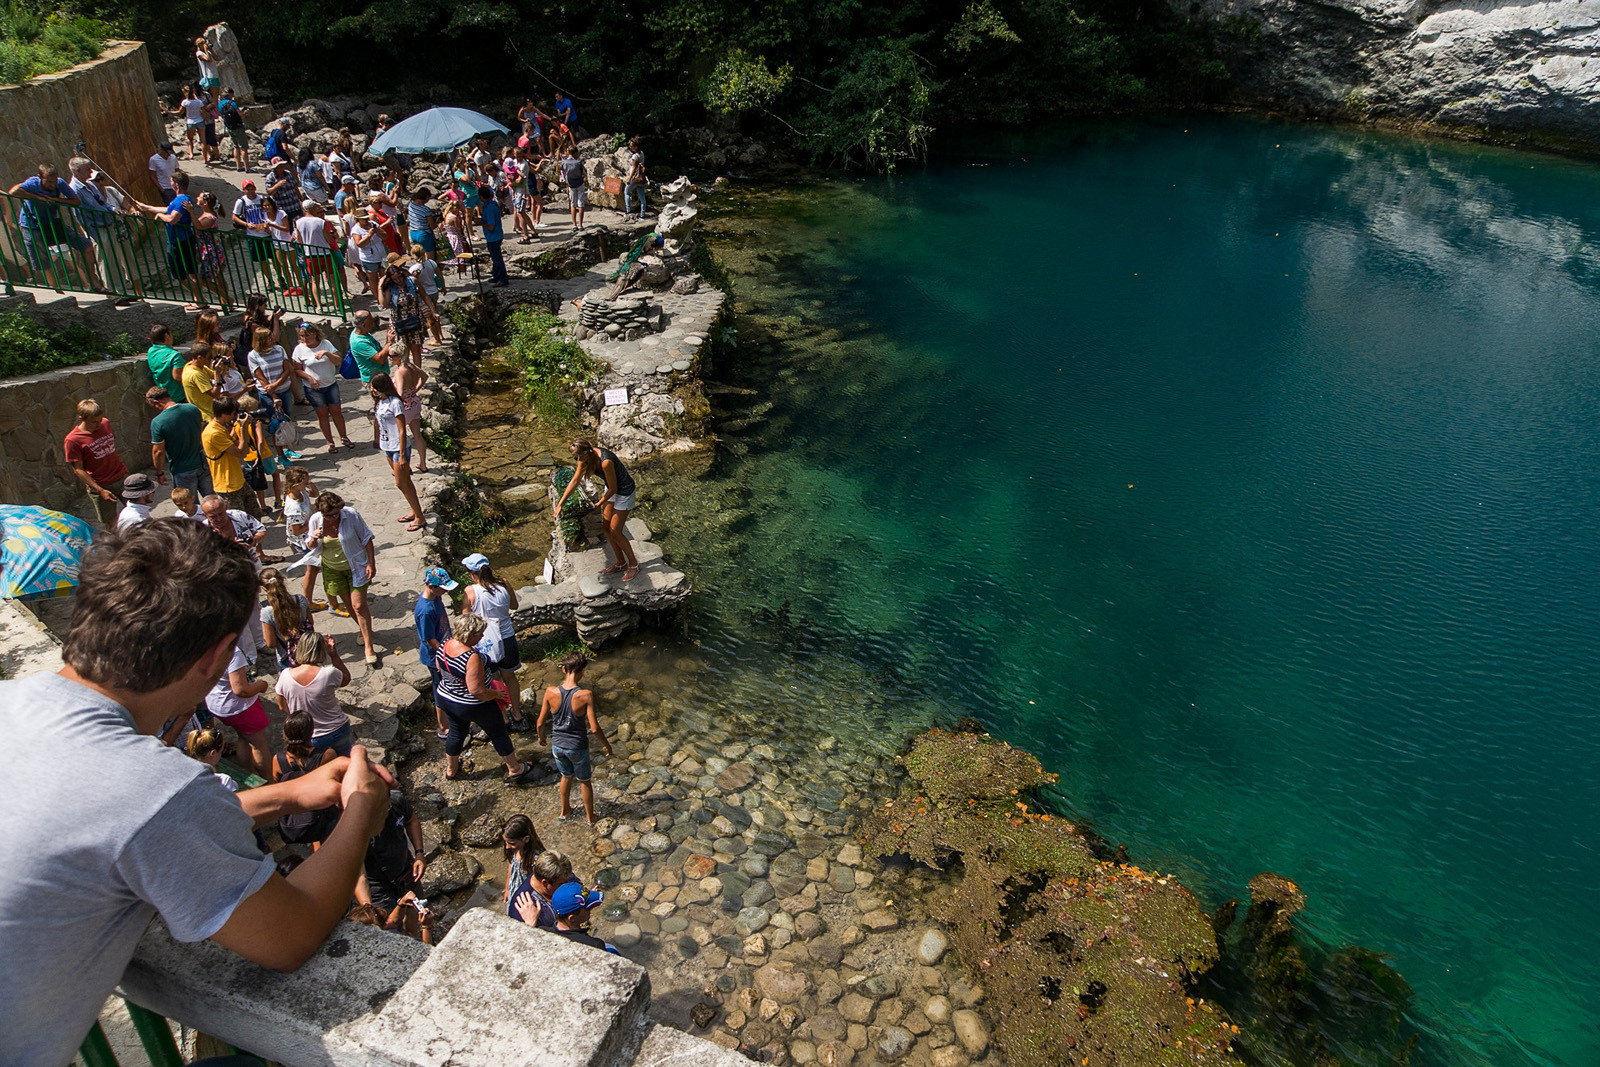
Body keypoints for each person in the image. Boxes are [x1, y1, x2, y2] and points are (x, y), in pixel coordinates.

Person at [0, 519, 395, 1067]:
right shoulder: (153, 788)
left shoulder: (14, 703)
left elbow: (129, 829)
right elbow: (289, 934)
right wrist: (360, 811)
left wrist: (285, 796)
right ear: (213, 660)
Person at [435, 614, 537, 784]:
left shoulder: (445, 644)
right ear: (470, 635)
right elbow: (477, 691)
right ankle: (515, 769)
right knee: (498, 733)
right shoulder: (471, 658)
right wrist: (496, 694)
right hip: (472, 705)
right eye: (480, 634)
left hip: (447, 698)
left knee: (456, 733)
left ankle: (451, 770)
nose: (482, 636)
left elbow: (440, 667)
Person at [536, 651, 614, 826]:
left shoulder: (550, 692)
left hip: (557, 745)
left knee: (566, 776)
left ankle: (565, 811)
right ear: (583, 670)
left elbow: (540, 722)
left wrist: (541, 738)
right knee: (584, 780)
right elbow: (594, 728)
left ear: (564, 669)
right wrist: (607, 746)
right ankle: (590, 817)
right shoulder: (585, 695)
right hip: (577, 746)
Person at [304, 491, 379, 665]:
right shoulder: (316, 519)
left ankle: (369, 646)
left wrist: (371, 563)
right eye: (328, 515)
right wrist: (314, 538)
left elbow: (367, 538)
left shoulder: (351, 515)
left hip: (356, 566)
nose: (333, 518)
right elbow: (310, 545)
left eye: (336, 513)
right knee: (350, 606)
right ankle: (363, 629)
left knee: (359, 605)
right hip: (332, 568)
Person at [353, 789, 435, 943]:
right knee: (390, 931)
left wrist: (419, 853)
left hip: (406, 872)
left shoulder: (396, 800)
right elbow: (359, 875)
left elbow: (411, 820)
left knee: (413, 921)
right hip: (379, 889)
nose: (386, 809)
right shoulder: (356, 830)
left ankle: (418, 937)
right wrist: (369, 909)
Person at [555, 438, 639, 580]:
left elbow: (614, 489)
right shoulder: (585, 458)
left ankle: (634, 565)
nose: (577, 460)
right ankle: (620, 563)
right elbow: (575, 481)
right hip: (611, 489)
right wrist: (560, 503)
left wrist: (599, 503)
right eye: (574, 458)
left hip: (624, 491)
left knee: (615, 531)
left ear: (586, 453)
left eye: (578, 457)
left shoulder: (606, 462)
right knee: (606, 528)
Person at [461, 553, 526, 730]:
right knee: (510, 676)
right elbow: (514, 606)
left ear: (473, 573)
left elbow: (465, 619)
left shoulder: (470, 591)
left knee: (493, 679)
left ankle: (503, 716)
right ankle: (517, 714)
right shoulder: (504, 583)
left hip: (486, 642)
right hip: (507, 637)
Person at [7, 162, 94, 291]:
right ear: (40, 177)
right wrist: (38, 197)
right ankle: (56, 289)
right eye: (48, 182)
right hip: (32, 224)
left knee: (86, 244)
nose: (52, 185)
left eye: (54, 181)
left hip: (52, 222)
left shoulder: (60, 183)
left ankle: (93, 282)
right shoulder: (33, 183)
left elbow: (75, 201)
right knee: (42, 258)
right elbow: (13, 191)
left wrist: (56, 200)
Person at [131, 169, 206, 310]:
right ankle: (198, 298)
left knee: (183, 274)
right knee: (189, 272)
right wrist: (147, 207)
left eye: (171, 182)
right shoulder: (182, 199)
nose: (170, 184)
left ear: (176, 185)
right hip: (181, 239)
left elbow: (172, 219)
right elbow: (168, 210)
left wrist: (159, 216)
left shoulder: (182, 200)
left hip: (180, 241)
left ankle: (200, 299)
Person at [204, 637, 273, 781]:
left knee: (243, 737)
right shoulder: (232, 652)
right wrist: (261, 685)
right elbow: (241, 689)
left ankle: (250, 775)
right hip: (241, 708)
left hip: (217, 703)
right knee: (259, 745)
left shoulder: (205, 645)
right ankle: (269, 781)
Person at [276, 632, 353, 759]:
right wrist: (333, 654)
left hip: (309, 735)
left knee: (318, 767)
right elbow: (346, 679)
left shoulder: (285, 675)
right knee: (345, 761)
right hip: (337, 729)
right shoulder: (329, 673)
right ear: (321, 651)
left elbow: (282, 706)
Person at [369, 373, 427, 533]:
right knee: (406, 483)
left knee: (401, 483)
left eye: (374, 387)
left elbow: (402, 430)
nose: (372, 390)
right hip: (387, 446)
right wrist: (376, 440)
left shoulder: (395, 403)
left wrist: (402, 455)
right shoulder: (380, 402)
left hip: (398, 447)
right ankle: (415, 511)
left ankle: (420, 517)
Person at [271, 712, 338, 846]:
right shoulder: (326, 755)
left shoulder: (278, 760)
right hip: (322, 809)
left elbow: (276, 785)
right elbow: (336, 782)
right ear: (311, 732)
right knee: (325, 844)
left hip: (296, 809)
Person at [63, 398, 128, 527]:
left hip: (121, 476)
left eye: (100, 420)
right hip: (101, 485)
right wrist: (99, 490)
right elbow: (78, 469)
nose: (99, 425)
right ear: (81, 418)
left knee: (137, 510)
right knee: (111, 523)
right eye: (94, 422)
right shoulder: (73, 440)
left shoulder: (105, 423)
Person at [292, 322, 352, 451]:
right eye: (302, 336)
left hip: (330, 384)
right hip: (313, 388)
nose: (305, 339)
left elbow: (338, 361)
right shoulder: (299, 349)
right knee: (322, 414)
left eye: (307, 335)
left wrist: (326, 353)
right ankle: (329, 441)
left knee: (336, 412)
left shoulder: (326, 344)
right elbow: (296, 370)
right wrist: (310, 378)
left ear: (314, 334)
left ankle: (344, 436)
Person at [413, 566, 457, 739]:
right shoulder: (425, 610)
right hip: (435, 657)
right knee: (440, 689)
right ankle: (443, 727)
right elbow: (429, 639)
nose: (445, 591)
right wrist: (445, 655)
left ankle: (449, 718)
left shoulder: (435, 598)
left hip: (444, 649)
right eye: (443, 588)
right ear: (432, 587)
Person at [202, 397, 263, 518]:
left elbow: (237, 444)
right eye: (233, 414)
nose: (235, 416)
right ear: (225, 414)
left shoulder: (220, 427)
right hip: (227, 486)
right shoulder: (214, 433)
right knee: (239, 521)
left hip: (238, 480)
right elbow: (241, 452)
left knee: (255, 515)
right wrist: (244, 427)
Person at [144, 386, 210, 496]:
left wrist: (159, 473)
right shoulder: (192, 408)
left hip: (182, 469)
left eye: (154, 406)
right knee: (212, 499)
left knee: (190, 506)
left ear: (157, 402)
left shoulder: (158, 422)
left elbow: (158, 452)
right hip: (203, 462)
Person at [379, 260, 432, 368]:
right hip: (399, 323)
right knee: (404, 351)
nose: (398, 280)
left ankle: (418, 377)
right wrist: (380, 287)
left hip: (415, 320)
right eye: (395, 279)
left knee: (416, 349)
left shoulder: (412, 281)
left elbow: (424, 295)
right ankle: (408, 376)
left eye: (399, 277)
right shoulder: (391, 288)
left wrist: (432, 311)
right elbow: (384, 304)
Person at [260, 566, 315, 670]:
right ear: (283, 580)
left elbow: (270, 643)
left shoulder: (266, 612)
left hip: (287, 658)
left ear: (263, 588)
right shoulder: (301, 599)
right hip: (308, 651)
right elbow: (310, 622)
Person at [232, 182, 280, 290]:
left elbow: (272, 210)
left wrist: (270, 224)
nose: (250, 191)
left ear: (255, 188)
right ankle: (269, 280)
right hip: (253, 234)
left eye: (251, 188)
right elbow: (234, 216)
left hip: (267, 233)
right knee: (262, 260)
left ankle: (280, 278)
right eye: (247, 189)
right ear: (244, 190)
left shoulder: (262, 198)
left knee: (275, 258)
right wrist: (246, 224)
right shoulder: (241, 201)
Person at [510, 850, 573, 929]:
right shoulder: (522, 909)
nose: (568, 886)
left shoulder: (562, 873)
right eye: (561, 884)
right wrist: (530, 925)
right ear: (545, 883)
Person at [548, 882, 618, 953]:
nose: (590, 909)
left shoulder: (545, 931)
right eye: (587, 908)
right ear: (572, 918)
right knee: (611, 949)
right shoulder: (595, 945)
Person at [193, 190, 233, 312]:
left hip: (211, 251)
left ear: (205, 203)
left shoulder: (210, 217)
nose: (196, 198)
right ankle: (226, 303)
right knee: (219, 277)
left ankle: (228, 299)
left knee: (205, 279)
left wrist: (190, 212)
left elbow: (199, 226)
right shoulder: (208, 214)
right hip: (213, 250)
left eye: (199, 197)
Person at [499, 815, 546, 909]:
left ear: (526, 839)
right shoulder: (515, 849)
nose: (507, 847)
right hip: (515, 889)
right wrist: (508, 889)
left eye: (512, 843)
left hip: (527, 897)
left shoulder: (536, 860)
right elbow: (511, 864)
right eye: (505, 842)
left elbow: (540, 886)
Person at [393, 354, 430, 472]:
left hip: (404, 407)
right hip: (414, 403)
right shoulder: (412, 367)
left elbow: (399, 393)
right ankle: (423, 464)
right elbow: (424, 377)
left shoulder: (400, 372)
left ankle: (406, 466)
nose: (389, 358)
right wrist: (415, 390)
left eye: (391, 355)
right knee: (417, 435)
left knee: (401, 436)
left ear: (399, 356)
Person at [248, 325, 295, 414]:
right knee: (273, 418)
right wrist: (273, 395)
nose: (272, 339)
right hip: (267, 393)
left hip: (284, 389)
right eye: (269, 338)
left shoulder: (279, 349)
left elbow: (287, 370)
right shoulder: (253, 355)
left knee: (287, 415)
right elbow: (260, 377)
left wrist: (275, 385)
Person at [408, 243, 446, 346]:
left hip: (424, 295)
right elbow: (439, 274)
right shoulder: (431, 263)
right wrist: (443, 286)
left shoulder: (413, 269)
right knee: (435, 312)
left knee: (429, 317)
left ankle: (437, 339)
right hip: (434, 291)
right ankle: (441, 334)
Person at [347, 309, 392, 384]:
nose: (373, 324)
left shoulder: (363, 332)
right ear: (363, 324)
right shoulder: (359, 342)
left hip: (380, 376)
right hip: (374, 380)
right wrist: (388, 343)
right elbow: (380, 359)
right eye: (371, 322)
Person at [478, 183, 509, 286]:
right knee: (495, 258)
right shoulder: (492, 204)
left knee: (497, 259)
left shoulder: (490, 208)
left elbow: (491, 226)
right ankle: (496, 276)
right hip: (495, 235)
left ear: (481, 197)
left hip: (493, 237)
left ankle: (502, 278)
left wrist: (481, 222)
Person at [181, 341, 222, 417]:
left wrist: (222, 364)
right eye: (209, 357)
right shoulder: (196, 374)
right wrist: (217, 372)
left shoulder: (193, 366)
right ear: (200, 358)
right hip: (207, 415)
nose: (211, 359)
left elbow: (218, 375)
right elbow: (215, 394)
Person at [146, 324, 186, 401]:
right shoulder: (174, 355)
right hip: (179, 396)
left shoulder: (151, 351)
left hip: (163, 397)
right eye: (171, 334)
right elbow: (177, 377)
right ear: (166, 335)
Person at [169, 84, 208, 160]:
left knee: (189, 139)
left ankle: (191, 154)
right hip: (200, 121)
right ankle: (205, 158)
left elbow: (179, 112)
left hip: (190, 122)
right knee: (203, 140)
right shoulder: (199, 102)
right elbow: (203, 112)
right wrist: (203, 118)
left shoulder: (185, 102)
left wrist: (168, 112)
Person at [219, 87, 249, 171]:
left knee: (236, 147)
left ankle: (238, 166)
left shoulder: (220, 104)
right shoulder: (233, 103)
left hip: (229, 127)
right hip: (238, 126)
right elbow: (240, 115)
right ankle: (247, 168)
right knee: (243, 147)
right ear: (230, 94)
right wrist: (245, 113)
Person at [560, 146, 586, 231]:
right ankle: (580, 225)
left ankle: (574, 224)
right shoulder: (578, 162)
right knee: (581, 204)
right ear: (575, 153)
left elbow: (562, 173)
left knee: (573, 204)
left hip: (571, 184)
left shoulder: (564, 163)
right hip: (579, 183)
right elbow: (583, 173)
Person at [624, 136, 648, 219]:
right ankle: (642, 214)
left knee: (626, 192)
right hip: (641, 178)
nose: (630, 147)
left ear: (636, 147)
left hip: (634, 178)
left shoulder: (635, 156)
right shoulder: (642, 153)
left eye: (631, 146)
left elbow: (634, 168)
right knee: (642, 196)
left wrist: (629, 178)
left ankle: (628, 211)